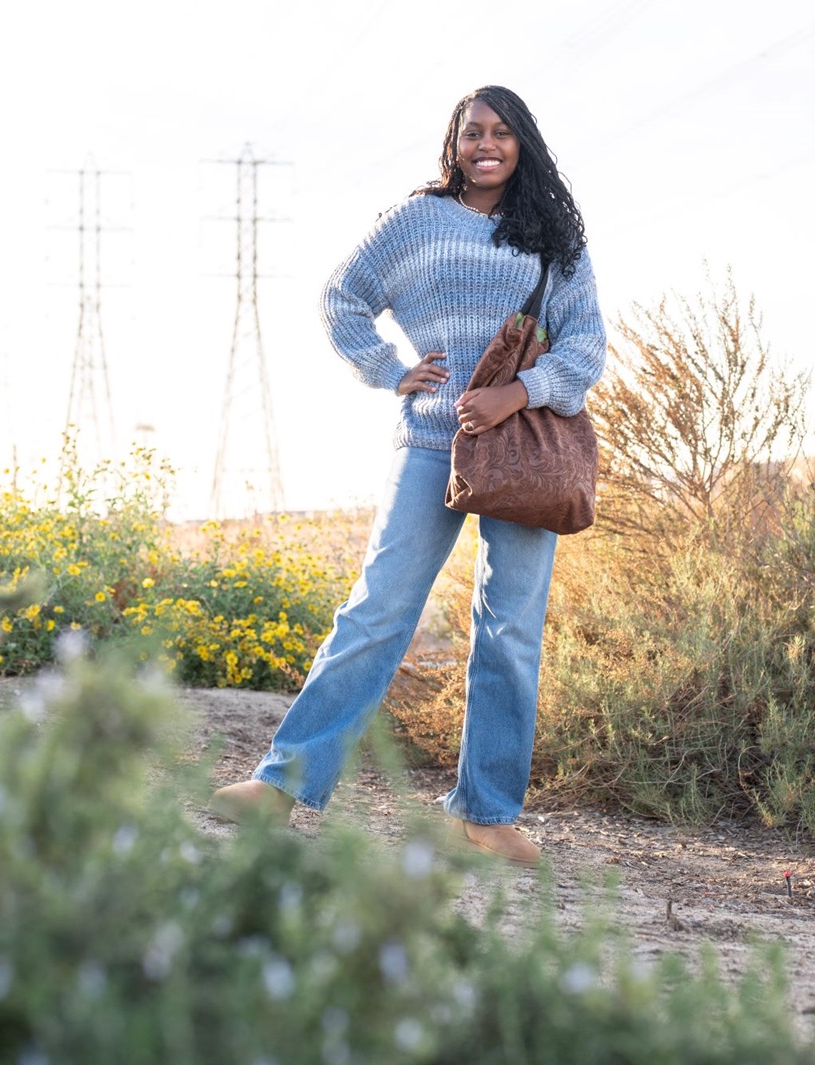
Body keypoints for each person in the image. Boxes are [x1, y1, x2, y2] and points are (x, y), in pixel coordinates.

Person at [209, 85, 606, 865]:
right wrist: (392, 371)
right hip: (430, 443)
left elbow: (586, 348)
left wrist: (514, 394)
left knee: (511, 629)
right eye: (471, 133)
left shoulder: (557, 237)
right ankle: (283, 784)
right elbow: (341, 297)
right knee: (378, 610)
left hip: (524, 450)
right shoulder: (416, 220)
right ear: (452, 143)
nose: (485, 145)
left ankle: (487, 817)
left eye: (501, 132)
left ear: (523, 143)